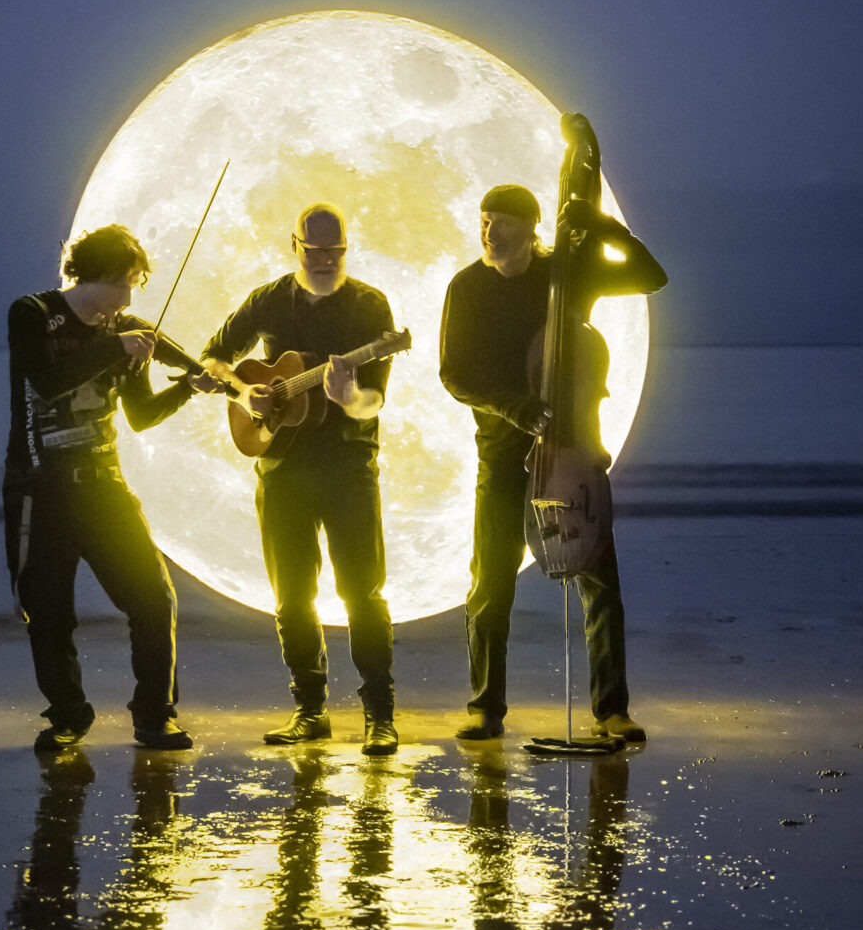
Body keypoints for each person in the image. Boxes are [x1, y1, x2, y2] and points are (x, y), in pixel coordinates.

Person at [439, 182, 667, 744]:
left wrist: (605, 226)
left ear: (532, 227)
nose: (490, 231)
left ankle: (612, 711)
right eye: (485, 220)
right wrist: (513, 407)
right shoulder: (467, 287)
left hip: (572, 454)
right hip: (502, 454)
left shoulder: (566, 273)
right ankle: (485, 708)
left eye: (502, 221)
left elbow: (650, 276)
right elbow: (454, 375)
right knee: (490, 585)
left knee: (600, 584)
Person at [4, 222, 211, 753]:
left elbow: (141, 415)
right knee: (47, 612)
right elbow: (48, 380)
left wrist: (191, 384)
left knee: (154, 599)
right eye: (123, 284)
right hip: (40, 489)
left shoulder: (126, 330)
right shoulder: (32, 313)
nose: (128, 299)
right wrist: (115, 346)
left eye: (133, 287)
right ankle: (68, 715)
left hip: (104, 485)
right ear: (93, 276)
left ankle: (155, 715)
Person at [202, 202, 399, 756]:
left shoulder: (369, 306)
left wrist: (348, 396)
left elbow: (373, 401)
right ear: (295, 246)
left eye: (336, 250)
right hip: (281, 467)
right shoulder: (268, 300)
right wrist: (245, 391)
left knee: (362, 591)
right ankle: (309, 711)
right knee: (291, 595)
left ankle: (379, 715)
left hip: (348, 465)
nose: (326, 260)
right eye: (315, 251)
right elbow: (214, 358)